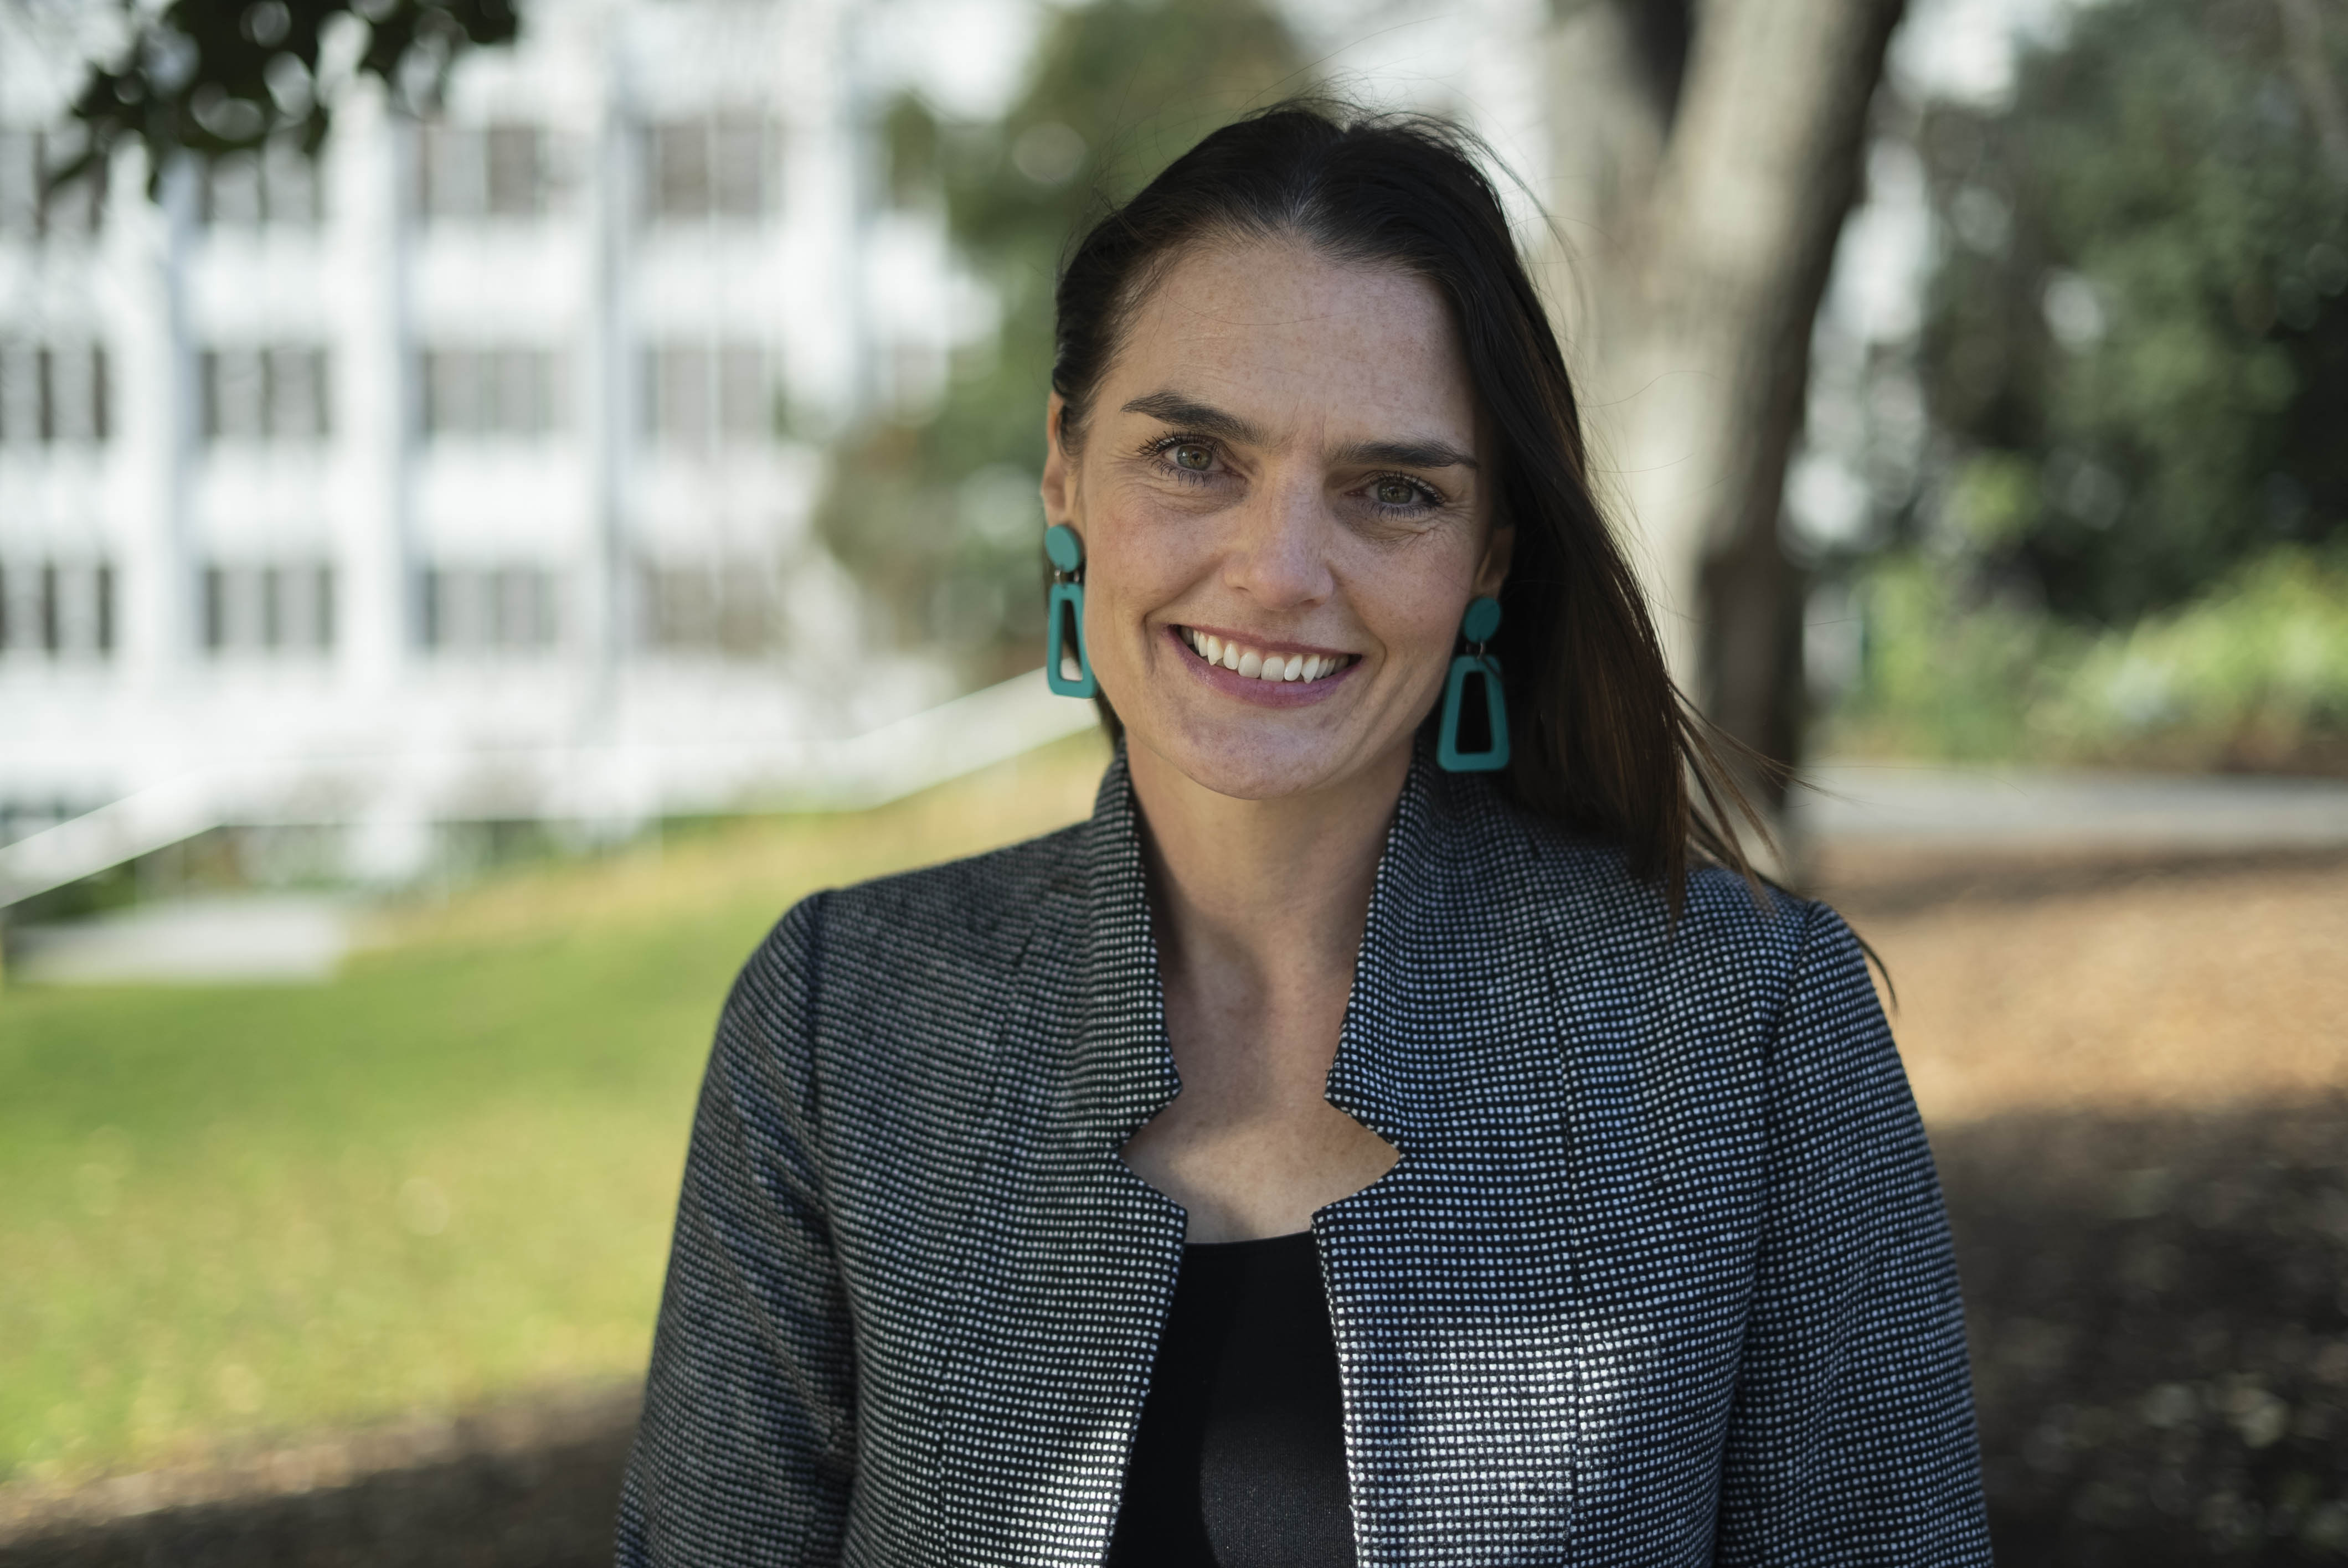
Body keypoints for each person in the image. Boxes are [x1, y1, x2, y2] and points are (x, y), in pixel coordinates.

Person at [616, 104, 1989, 1566]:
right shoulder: (842, 1020)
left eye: (1394, 491)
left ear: (1489, 561)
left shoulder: (1754, 1027)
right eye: (1193, 455)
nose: (1278, 572)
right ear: (1064, 472)